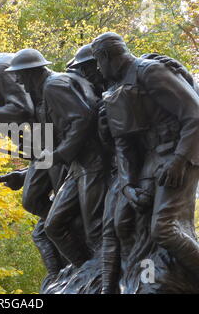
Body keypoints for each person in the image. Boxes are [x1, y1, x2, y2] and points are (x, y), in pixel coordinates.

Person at [0, 32, 68, 287]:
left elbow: (22, 109)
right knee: (33, 201)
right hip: (42, 140)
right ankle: (63, 249)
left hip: (51, 139)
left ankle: (70, 234)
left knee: (35, 201)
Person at [91, 32, 199, 280]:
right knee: (123, 223)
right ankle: (139, 281)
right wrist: (128, 185)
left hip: (181, 155)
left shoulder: (149, 71)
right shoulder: (116, 88)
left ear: (106, 56)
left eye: (98, 61)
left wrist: (179, 160)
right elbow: (124, 144)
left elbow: (194, 114)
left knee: (165, 229)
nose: (97, 68)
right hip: (153, 160)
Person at [6, 48, 106, 268]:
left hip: (92, 163)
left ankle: (101, 274)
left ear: (32, 73)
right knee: (53, 226)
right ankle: (83, 270)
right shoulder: (49, 88)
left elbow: (82, 119)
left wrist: (60, 154)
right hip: (78, 166)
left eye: (21, 77)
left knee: (93, 229)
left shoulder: (54, 86)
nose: (20, 83)